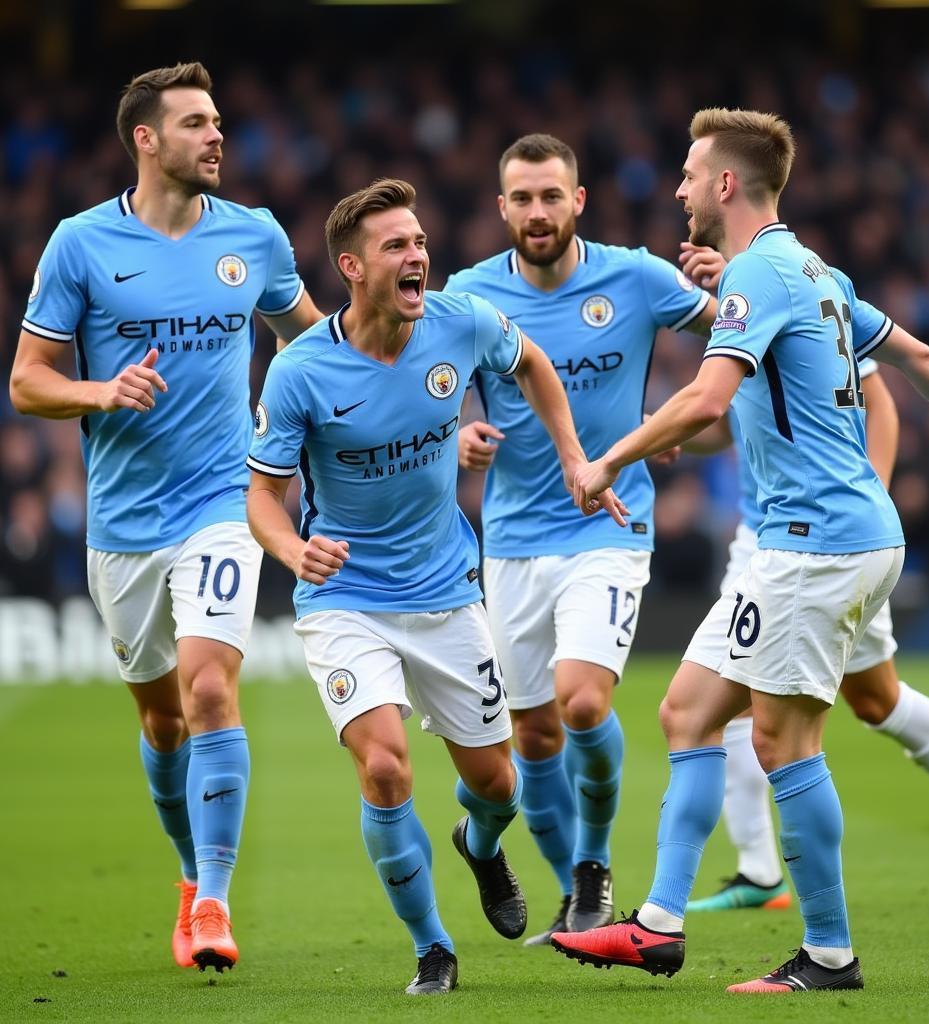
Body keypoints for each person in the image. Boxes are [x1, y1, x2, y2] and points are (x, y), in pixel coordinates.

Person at [552, 107, 929, 994]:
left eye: (692, 173)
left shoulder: (761, 275)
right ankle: (657, 925)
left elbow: (705, 399)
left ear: (726, 184)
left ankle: (828, 956)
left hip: (816, 545)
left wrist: (608, 456)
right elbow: (915, 351)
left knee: (783, 741)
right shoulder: (811, 269)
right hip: (821, 541)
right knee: (689, 710)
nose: (681, 187)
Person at [244, 178, 625, 996]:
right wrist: (291, 551)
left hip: (447, 593)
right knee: (385, 769)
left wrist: (569, 454)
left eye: (419, 242)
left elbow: (532, 363)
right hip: (346, 600)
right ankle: (432, 948)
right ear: (351, 266)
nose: (418, 255)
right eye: (396, 246)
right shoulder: (301, 372)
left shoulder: (458, 322)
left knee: (499, 787)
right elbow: (262, 497)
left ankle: (480, 847)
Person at [9, 62, 322, 973]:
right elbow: (27, 382)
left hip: (225, 501)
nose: (217, 135)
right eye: (195, 123)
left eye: (218, 120)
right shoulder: (80, 244)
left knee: (210, 688)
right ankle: (191, 877)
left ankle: (216, 904)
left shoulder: (254, 237)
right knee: (160, 722)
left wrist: (323, 419)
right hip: (124, 524)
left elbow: (305, 338)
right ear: (145, 139)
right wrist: (102, 391)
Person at [675, 245, 929, 911]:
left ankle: (809, 914)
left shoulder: (792, 287)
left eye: (694, 177)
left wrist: (874, 496)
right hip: (775, 535)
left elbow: (879, 401)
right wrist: (674, 436)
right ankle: (763, 870)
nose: (683, 198)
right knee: (808, 700)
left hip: (827, 537)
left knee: (840, 705)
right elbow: (726, 420)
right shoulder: (742, 310)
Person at [445, 133, 718, 945]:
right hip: (513, 542)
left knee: (584, 700)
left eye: (551, 197)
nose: (537, 212)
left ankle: (594, 866)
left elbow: (735, 328)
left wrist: (677, 421)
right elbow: (429, 384)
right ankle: (570, 887)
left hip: (609, 524)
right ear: (502, 208)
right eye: (522, 199)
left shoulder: (634, 276)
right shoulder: (467, 296)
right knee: (531, 735)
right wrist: (461, 427)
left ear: (579, 202)